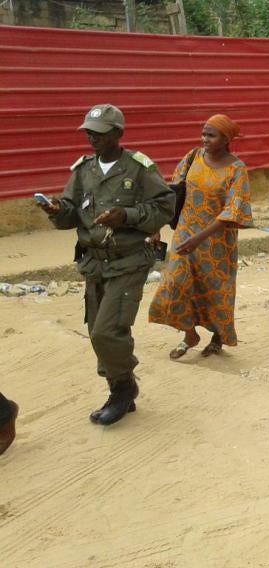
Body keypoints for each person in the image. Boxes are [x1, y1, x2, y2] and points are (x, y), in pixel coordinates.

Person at [38, 104, 175, 426]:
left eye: (98, 133)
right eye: (88, 132)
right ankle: (118, 387)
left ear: (117, 134)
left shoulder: (138, 168)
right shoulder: (83, 170)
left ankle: (125, 388)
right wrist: (57, 210)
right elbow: (71, 212)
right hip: (94, 264)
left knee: (106, 331)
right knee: (96, 331)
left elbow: (164, 207)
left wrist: (125, 215)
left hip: (128, 262)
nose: (91, 138)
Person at [149, 114, 253, 359]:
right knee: (174, 284)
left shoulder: (237, 169)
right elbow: (172, 192)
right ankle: (190, 334)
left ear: (226, 139)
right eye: (203, 133)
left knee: (215, 290)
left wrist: (199, 238)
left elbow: (234, 210)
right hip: (185, 234)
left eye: (211, 135)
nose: (204, 139)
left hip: (216, 242)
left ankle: (218, 337)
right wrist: (156, 225)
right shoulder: (193, 156)